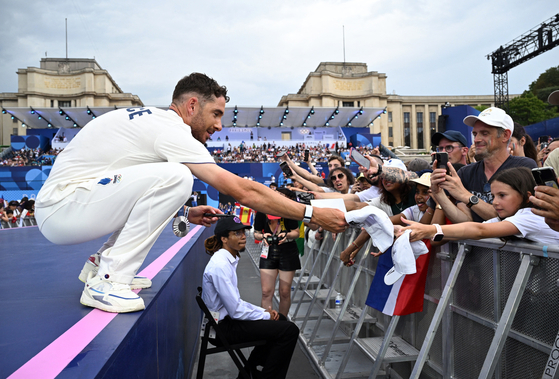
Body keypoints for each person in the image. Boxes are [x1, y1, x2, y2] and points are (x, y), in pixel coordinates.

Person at [35, 72, 347, 313]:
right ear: (192, 105)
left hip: (68, 204)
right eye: (216, 114)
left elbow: (132, 189)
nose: (220, 125)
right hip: (63, 209)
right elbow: (244, 191)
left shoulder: (154, 122)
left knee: (174, 179)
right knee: (179, 177)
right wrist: (312, 213)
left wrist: (184, 213)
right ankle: (107, 281)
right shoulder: (173, 130)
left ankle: (99, 266)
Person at [202, 216, 299, 379]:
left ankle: (250, 373)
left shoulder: (227, 260)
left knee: (281, 320)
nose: (243, 236)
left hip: (227, 321)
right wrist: (265, 315)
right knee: (289, 331)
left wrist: (265, 313)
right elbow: (236, 311)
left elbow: (236, 304)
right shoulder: (220, 266)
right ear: (224, 239)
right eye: (236, 233)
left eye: (243, 232)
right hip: (222, 329)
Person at [430, 107, 537, 224]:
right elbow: (465, 220)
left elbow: (511, 220)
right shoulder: (466, 172)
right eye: (475, 134)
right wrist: (439, 194)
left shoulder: (523, 167)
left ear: (505, 135)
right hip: (476, 242)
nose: (476, 139)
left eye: (484, 133)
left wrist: (466, 196)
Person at [400, 167, 559, 245]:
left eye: (502, 195)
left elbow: (479, 231)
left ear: (527, 196)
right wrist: (402, 231)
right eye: (493, 195)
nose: (495, 202)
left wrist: (428, 230)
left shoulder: (530, 216)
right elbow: (469, 228)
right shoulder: (511, 218)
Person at [253, 191, 301, 317]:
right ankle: (268, 322)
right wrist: (263, 236)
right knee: (266, 291)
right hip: (268, 252)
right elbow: (256, 233)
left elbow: (296, 232)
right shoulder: (261, 212)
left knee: (284, 292)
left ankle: (283, 322)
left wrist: (287, 235)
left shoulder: (289, 211)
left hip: (288, 252)